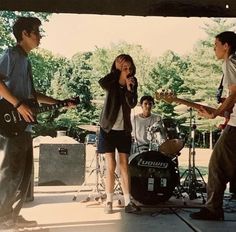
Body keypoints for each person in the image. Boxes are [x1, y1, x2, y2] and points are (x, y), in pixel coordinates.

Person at [0, 17, 75, 229]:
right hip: (10, 123)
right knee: (10, 173)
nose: (40, 36)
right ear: (24, 34)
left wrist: (60, 102)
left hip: (25, 125)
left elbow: (33, 95)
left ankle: (13, 215)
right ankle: (2, 218)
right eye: (36, 32)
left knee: (24, 175)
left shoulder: (27, 61)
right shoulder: (10, 55)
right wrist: (17, 105)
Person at [190, 31, 236, 221]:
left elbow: (234, 94)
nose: (213, 48)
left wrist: (216, 112)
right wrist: (223, 115)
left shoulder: (230, 62)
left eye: (216, 44)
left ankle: (213, 209)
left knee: (217, 164)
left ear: (226, 46)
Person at [98, 54, 140, 214]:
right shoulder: (112, 82)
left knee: (124, 165)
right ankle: (109, 200)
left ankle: (128, 201)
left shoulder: (133, 82)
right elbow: (102, 83)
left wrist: (130, 89)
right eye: (124, 68)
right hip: (108, 128)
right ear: (118, 68)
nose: (128, 71)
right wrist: (116, 71)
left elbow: (133, 103)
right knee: (111, 166)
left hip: (123, 130)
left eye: (130, 68)